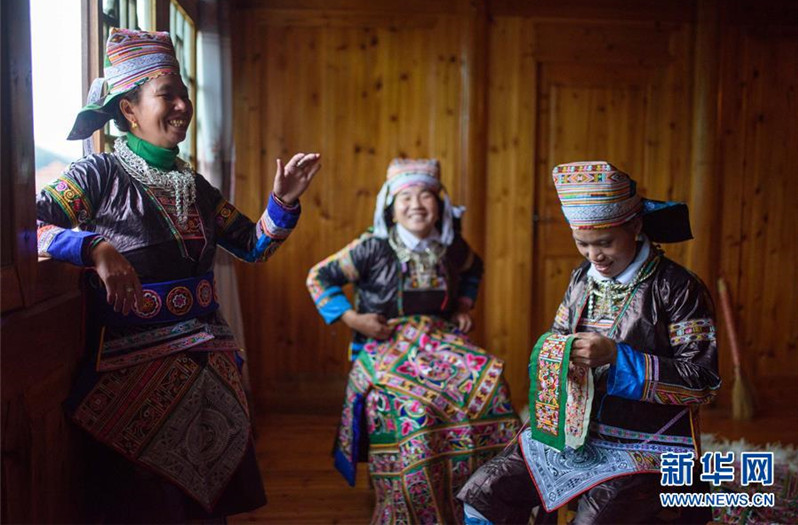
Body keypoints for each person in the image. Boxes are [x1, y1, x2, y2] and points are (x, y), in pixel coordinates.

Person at [35, 28, 321, 522]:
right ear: (129, 110)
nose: (183, 105)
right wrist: (92, 246)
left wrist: (285, 201)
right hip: (132, 369)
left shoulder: (198, 188)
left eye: (184, 93)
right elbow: (26, 227)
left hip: (208, 360)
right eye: (168, 94)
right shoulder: (96, 176)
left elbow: (254, 247)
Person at [457, 161, 721, 524]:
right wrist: (560, 355)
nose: (595, 255)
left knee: (596, 516)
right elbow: (559, 339)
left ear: (636, 226)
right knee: (485, 490)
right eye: (582, 243)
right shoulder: (582, 278)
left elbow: (702, 383)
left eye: (605, 243)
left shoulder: (677, 287)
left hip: (648, 442)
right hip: (575, 433)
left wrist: (617, 357)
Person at [306, 159, 521, 524]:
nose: (417, 204)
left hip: (440, 341)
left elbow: (475, 269)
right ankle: (411, 504)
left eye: (426, 195)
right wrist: (353, 318)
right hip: (386, 344)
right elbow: (318, 277)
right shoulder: (371, 248)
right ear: (390, 205)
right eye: (406, 197)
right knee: (417, 410)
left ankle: (480, 501)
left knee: (489, 386)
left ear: (440, 205)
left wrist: (464, 306)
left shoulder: (451, 247)